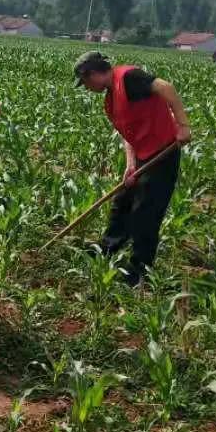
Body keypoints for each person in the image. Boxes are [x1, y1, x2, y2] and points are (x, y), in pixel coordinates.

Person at [73, 51, 192, 286]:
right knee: (123, 202)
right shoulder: (111, 99)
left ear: (93, 73)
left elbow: (165, 87)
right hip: (142, 155)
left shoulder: (128, 78)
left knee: (146, 212)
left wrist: (183, 125)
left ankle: (139, 271)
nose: (86, 88)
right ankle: (107, 247)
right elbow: (127, 133)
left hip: (163, 152)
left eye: (85, 83)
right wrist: (130, 165)